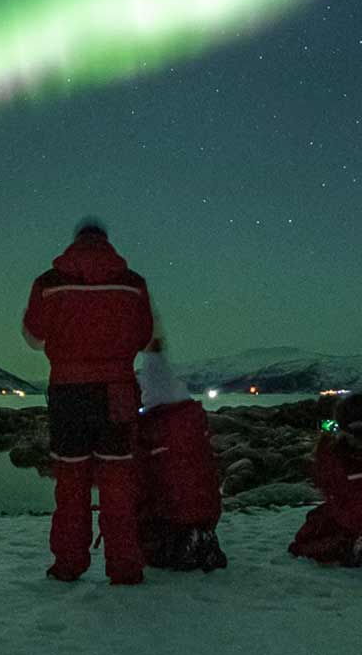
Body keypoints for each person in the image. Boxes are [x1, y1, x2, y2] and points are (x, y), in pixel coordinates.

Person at [22, 218, 154, 585]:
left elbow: (33, 334)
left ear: (75, 241)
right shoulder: (132, 284)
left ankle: (69, 563)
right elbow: (144, 337)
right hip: (117, 393)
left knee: (71, 482)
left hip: (68, 395)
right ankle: (125, 566)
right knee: (118, 483)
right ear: (107, 242)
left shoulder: (49, 283)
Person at [136, 339, 227, 571]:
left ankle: (182, 543)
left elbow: (147, 486)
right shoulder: (191, 422)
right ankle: (196, 538)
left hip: (174, 517)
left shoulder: (156, 429)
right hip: (205, 513)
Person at [288, 392, 362, 567]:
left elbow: (326, 481)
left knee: (303, 540)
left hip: (348, 514)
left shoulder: (341, 453)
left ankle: (344, 547)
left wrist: (327, 437)